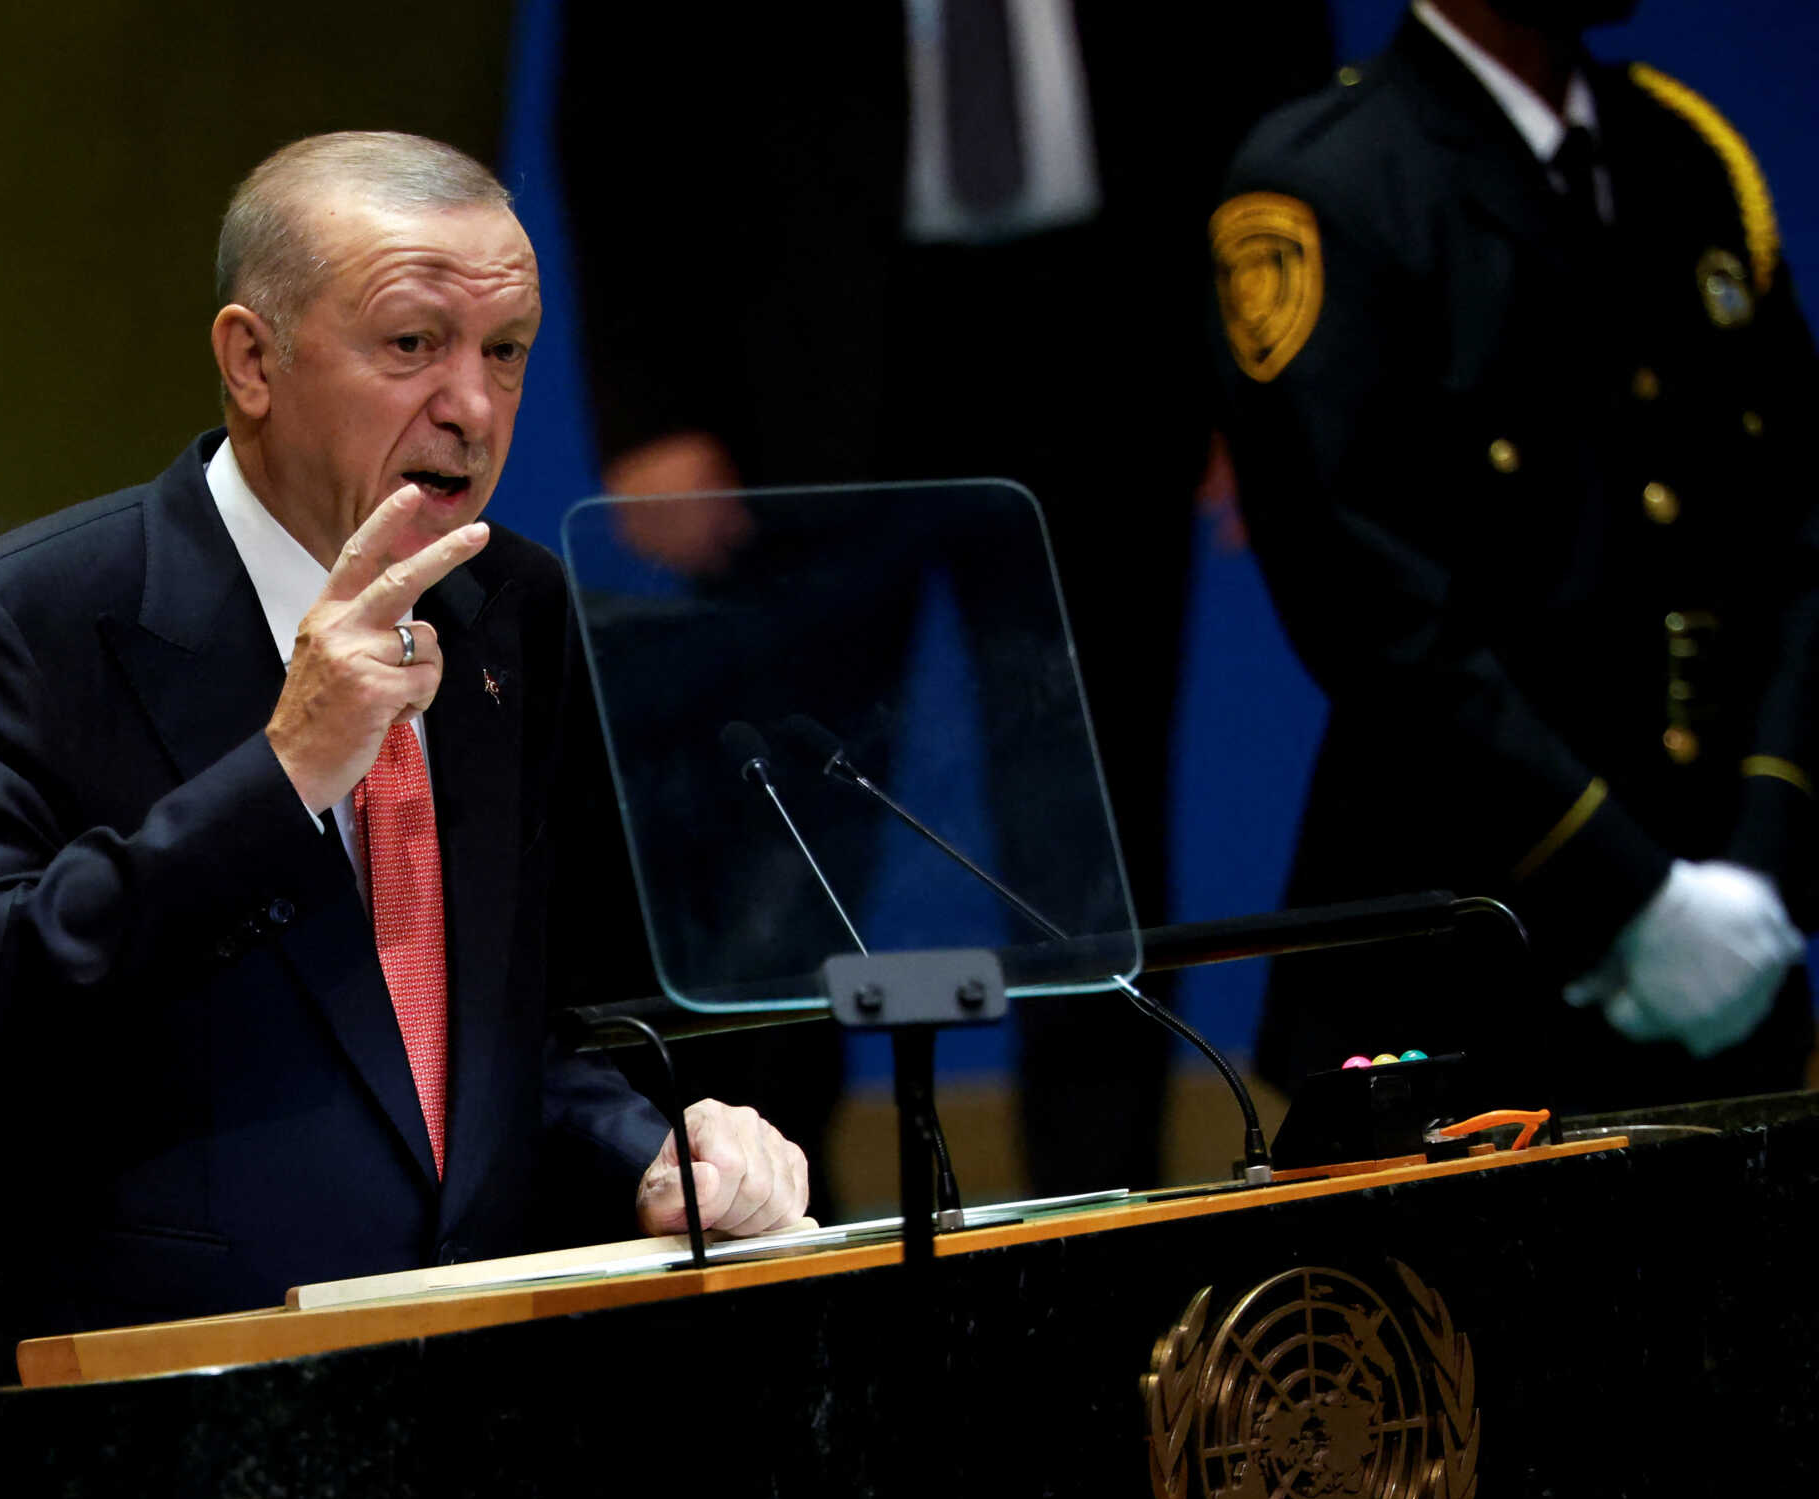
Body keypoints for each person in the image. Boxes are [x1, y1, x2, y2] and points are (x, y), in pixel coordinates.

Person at [0, 133, 808, 1390]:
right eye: (413, 345)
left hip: (470, 1405)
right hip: (151, 1422)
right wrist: (282, 777)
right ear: (251, 359)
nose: (471, 407)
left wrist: (649, 1150)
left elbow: (515, 1038)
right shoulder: (30, 623)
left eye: (505, 352)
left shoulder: (513, 612)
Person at [557, 2, 1333, 1194]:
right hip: (799, 347)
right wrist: (652, 406)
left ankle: (1104, 1241)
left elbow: (1268, 68)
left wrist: (1261, 369)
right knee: (785, 846)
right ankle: (764, 1232)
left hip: (1114, 339)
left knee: (1097, 849)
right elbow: (624, 88)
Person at [1214, 0, 1818, 1112]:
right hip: (1456, 969)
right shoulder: (1329, 183)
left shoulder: (1687, 155)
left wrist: (1755, 864)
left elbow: (1796, 538)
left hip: (1732, 952)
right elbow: (1371, 610)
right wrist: (1634, 894)